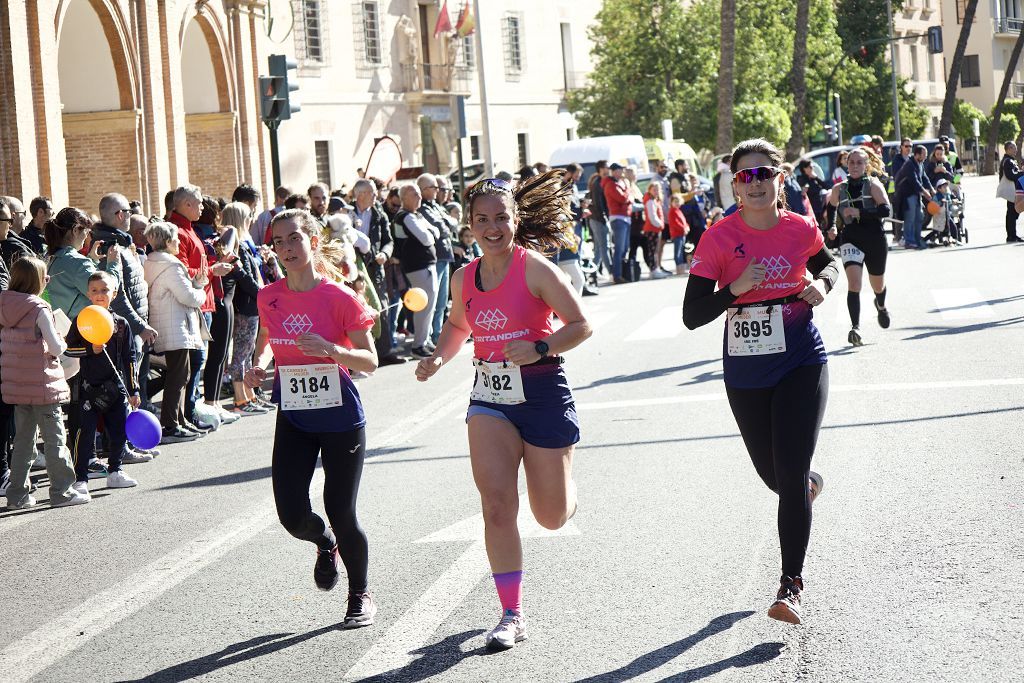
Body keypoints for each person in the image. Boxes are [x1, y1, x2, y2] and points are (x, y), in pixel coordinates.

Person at [415, 172, 592, 650]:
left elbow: (580, 325)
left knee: (551, 516)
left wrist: (541, 345)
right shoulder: (462, 278)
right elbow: (457, 326)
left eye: (500, 218)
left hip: (542, 392)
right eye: (481, 220)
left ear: (515, 220)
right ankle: (511, 612)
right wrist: (437, 356)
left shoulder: (535, 269)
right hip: (490, 399)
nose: (492, 227)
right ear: (469, 225)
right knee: (496, 506)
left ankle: (566, 485)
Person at [682, 139, 839, 625]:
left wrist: (825, 284)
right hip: (747, 372)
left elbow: (829, 262)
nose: (755, 183)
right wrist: (734, 289)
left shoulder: (799, 228)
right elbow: (691, 315)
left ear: (780, 178)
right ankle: (807, 483)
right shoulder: (718, 238)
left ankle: (790, 584)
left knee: (788, 476)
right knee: (777, 479)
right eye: (745, 176)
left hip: (801, 362)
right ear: (734, 184)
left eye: (764, 173)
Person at [244, 209, 379, 628]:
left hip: (340, 418)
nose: (286, 249)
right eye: (278, 243)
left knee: (341, 509)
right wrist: (259, 365)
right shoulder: (270, 296)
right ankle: (325, 544)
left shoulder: (340, 298)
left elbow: (371, 360)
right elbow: (269, 342)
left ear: (313, 241)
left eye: (294, 239)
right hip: (295, 417)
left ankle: (359, 594)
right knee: (291, 515)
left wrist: (333, 351)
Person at [0, 257, 89, 509]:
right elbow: (55, 346)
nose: (47, 281)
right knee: (55, 441)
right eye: (44, 278)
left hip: (16, 386)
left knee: (22, 443)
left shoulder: (4, 306)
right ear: (36, 281)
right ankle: (62, 491)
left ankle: (17, 495)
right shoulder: (39, 308)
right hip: (43, 386)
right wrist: (61, 340)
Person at [65, 271, 142, 495]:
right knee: (84, 433)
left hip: (115, 387)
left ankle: (115, 471)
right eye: (95, 291)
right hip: (88, 387)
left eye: (105, 290)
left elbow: (129, 358)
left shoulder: (121, 324)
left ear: (114, 293)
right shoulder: (82, 319)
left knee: (119, 430)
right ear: (88, 294)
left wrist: (133, 388)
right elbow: (69, 349)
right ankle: (80, 478)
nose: (100, 295)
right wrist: (90, 349)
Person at [169, 185, 232, 432]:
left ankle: (189, 413)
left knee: (198, 361)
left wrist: (214, 266)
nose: (203, 207)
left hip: (202, 300)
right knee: (195, 362)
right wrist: (212, 271)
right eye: (199, 203)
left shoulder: (188, 229)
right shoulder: (179, 231)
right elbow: (181, 269)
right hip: (193, 302)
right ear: (186, 205)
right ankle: (188, 413)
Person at [143, 221, 207, 443]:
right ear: (168, 242)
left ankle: (178, 420)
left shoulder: (150, 262)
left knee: (180, 375)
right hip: (175, 326)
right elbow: (188, 297)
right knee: (178, 376)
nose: (179, 242)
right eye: (176, 239)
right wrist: (200, 288)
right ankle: (171, 424)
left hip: (166, 324)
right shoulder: (171, 266)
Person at [826, 148, 892, 347]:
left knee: (877, 285)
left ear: (866, 166)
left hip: (874, 238)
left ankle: (880, 305)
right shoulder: (839, 188)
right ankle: (855, 328)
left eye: (859, 163)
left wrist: (860, 212)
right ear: (847, 165)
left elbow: (885, 209)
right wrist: (831, 227)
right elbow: (831, 207)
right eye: (851, 162)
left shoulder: (873, 184)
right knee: (854, 284)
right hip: (850, 238)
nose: (854, 166)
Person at [45, 208, 122, 320]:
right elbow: (106, 290)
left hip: (59, 328)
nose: (87, 236)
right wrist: (113, 263)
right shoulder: (77, 262)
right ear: (76, 230)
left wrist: (92, 259)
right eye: (87, 231)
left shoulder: (52, 257)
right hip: (81, 331)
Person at [392, 184, 439, 357]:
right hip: (417, 266)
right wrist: (429, 231)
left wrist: (429, 231)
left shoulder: (415, 215)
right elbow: (428, 239)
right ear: (404, 197)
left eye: (419, 193)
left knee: (430, 305)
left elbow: (436, 233)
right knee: (424, 305)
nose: (419, 197)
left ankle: (424, 341)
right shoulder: (406, 217)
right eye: (415, 194)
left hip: (425, 265)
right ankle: (418, 345)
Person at [417, 173, 459, 346]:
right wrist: (446, 221)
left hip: (445, 257)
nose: (437, 191)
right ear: (423, 190)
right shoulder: (423, 208)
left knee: (442, 301)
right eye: (433, 187)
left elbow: (452, 222)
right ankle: (429, 337)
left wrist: (446, 221)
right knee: (432, 302)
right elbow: (441, 226)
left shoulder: (436, 206)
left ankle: (438, 335)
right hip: (435, 259)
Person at [893, 144, 933, 249]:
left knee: (919, 217)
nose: (925, 157)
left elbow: (924, 177)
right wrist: (925, 192)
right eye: (924, 155)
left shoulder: (920, 164)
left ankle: (916, 238)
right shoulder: (909, 164)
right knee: (909, 218)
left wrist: (932, 189)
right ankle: (909, 241)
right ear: (917, 155)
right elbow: (914, 181)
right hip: (907, 195)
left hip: (916, 194)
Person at [602, 163, 632, 284]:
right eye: (620, 170)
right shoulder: (610, 184)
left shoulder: (620, 183)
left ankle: (622, 274)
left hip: (625, 217)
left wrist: (628, 194)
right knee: (619, 249)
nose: (622, 173)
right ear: (614, 171)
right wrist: (629, 192)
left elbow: (627, 198)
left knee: (624, 248)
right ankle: (617, 275)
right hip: (618, 218)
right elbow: (623, 199)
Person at [585, 160, 613, 278]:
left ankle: (591, 273)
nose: (608, 169)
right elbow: (598, 203)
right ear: (601, 169)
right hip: (598, 219)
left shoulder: (600, 181)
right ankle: (612, 272)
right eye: (606, 167)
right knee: (604, 247)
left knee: (598, 248)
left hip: (597, 218)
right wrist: (604, 218)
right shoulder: (597, 184)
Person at [642, 181, 669, 279]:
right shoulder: (650, 201)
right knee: (653, 251)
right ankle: (654, 269)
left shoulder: (654, 200)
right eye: (654, 190)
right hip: (652, 229)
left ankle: (656, 268)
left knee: (655, 250)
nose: (656, 191)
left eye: (657, 189)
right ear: (649, 190)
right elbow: (652, 216)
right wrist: (660, 224)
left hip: (656, 229)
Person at [999, 141, 1024, 242]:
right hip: (1011, 190)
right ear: (1008, 149)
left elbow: (1012, 174)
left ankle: (1012, 235)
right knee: (1012, 213)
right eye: (1013, 148)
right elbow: (1010, 176)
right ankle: (1011, 236)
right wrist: (1022, 174)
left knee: (1012, 213)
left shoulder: (1009, 160)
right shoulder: (1008, 161)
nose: (1016, 149)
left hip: (1013, 190)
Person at [667, 193, 689, 275]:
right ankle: (678, 268)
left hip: (682, 234)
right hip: (677, 234)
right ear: (671, 202)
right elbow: (675, 223)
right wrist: (683, 228)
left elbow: (684, 221)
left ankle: (682, 268)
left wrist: (687, 227)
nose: (676, 203)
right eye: (675, 201)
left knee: (682, 251)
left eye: (678, 201)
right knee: (678, 252)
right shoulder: (672, 211)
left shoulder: (679, 211)